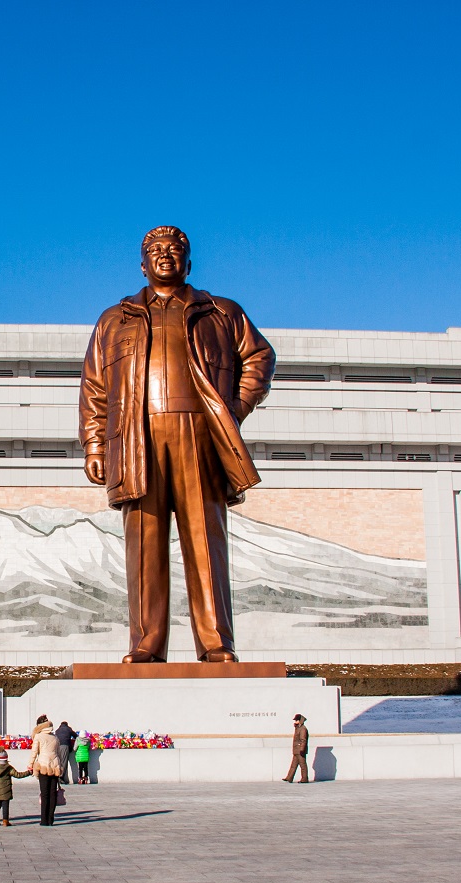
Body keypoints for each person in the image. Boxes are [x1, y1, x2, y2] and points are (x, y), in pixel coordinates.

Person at [79, 226, 276, 663]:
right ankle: (146, 644)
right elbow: (94, 385)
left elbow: (260, 357)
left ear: (189, 262)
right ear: (142, 263)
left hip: (199, 434)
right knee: (144, 542)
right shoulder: (115, 318)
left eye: (175, 250)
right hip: (136, 437)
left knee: (206, 539)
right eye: (155, 251)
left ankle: (215, 643)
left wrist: (233, 409)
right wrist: (95, 446)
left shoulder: (220, 311)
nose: (165, 256)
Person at [29, 716, 65, 826]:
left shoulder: (39, 737)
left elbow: (34, 752)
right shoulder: (55, 737)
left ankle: (44, 820)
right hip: (55, 767)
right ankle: (51, 819)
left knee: (44, 794)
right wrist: (60, 766)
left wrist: (30, 764)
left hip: (43, 766)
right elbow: (58, 753)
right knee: (52, 793)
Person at [283, 713, 310, 783]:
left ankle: (304, 779)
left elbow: (303, 740)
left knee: (303, 765)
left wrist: (302, 749)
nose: (295, 722)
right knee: (293, 765)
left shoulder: (303, 729)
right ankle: (289, 777)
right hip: (296, 750)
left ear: (300, 721)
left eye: (296, 720)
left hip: (300, 750)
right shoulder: (298, 728)